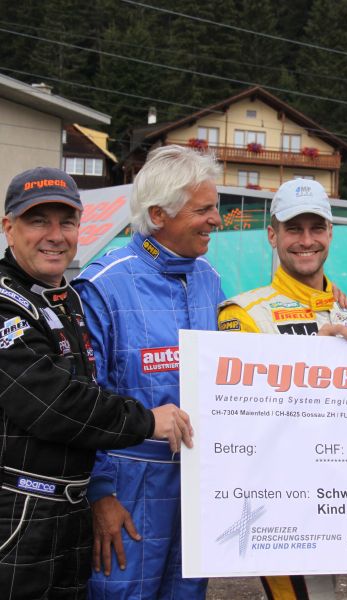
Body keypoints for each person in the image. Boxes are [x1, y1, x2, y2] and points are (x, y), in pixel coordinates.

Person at [0, 167, 192, 600]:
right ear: (9, 228)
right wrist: (147, 421)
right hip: (18, 516)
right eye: (37, 220)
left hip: (69, 515)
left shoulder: (65, 298)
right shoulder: (4, 302)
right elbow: (52, 404)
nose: (54, 235)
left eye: (66, 221)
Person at [73, 146, 225, 600]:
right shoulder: (104, 285)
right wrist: (100, 494)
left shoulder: (209, 278)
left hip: (197, 484)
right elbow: (84, 400)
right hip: (128, 487)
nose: (217, 219)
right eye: (204, 209)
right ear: (159, 214)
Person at [218, 179, 347, 600]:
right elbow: (237, 417)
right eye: (293, 229)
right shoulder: (243, 313)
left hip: (344, 492)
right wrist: (313, 361)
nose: (306, 240)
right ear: (272, 235)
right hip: (280, 499)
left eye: (316, 228)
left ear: (330, 233)